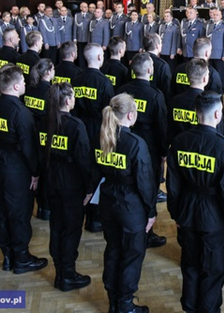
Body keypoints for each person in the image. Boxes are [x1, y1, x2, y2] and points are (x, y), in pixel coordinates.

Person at [167, 91, 224, 313]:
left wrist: (176, 214)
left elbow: (173, 184)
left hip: (187, 213)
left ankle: (189, 308)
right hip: (215, 218)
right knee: (213, 271)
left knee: (190, 266)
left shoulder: (179, 141)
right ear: (218, 114)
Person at [0, 65, 47, 274]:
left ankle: (7, 255)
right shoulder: (22, 114)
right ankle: (21, 258)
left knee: (2, 211)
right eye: (22, 81)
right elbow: (30, 149)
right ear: (15, 85)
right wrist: (36, 172)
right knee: (19, 214)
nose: (25, 85)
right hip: (17, 171)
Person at [98, 94, 156, 313]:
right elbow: (145, 183)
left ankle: (113, 301)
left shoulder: (103, 135)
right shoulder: (136, 144)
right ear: (131, 115)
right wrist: (151, 211)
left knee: (113, 250)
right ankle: (125, 305)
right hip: (131, 207)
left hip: (107, 201)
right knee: (132, 255)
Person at [44, 83, 98, 291]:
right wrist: (90, 188)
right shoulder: (76, 126)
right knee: (71, 230)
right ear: (67, 101)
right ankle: (67, 274)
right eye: (73, 97)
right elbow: (84, 162)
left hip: (51, 181)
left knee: (56, 227)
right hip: (71, 185)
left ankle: (60, 271)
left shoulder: (44, 121)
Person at [117, 53, 169, 248]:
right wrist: (164, 152)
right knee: (148, 189)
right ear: (149, 70)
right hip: (149, 146)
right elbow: (162, 126)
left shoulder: (123, 90)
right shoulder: (156, 95)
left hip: (123, 142)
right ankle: (147, 232)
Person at [72, 43, 116, 233]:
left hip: (79, 128)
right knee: (98, 171)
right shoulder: (104, 82)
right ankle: (95, 217)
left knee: (82, 168)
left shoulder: (76, 78)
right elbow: (110, 112)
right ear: (99, 58)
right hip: (99, 130)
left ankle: (82, 211)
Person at [24, 58, 55, 221]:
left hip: (30, 134)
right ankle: (46, 208)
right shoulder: (50, 91)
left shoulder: (29, 89)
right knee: (46, 172)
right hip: (45, 135)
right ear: (49, 72)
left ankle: (40, 205)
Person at [205, 7, 224, 89]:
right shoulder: (209, 25)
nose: (215, 16)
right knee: (210, 72)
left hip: (219, 54)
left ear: (221, 16)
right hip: (210, 53)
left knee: (219, 73)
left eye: (217, 15)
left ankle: (220, 88)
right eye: (214, 14)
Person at [142, 34, 172, 100]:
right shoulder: (163, 66)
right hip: (155, 101)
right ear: (157, 46)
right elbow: (167, 90)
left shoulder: (136, 60)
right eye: (161, 42)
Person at [74, 2, 92, 68]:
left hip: (87, 38)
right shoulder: (77, 15)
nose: (86, 8)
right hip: (79, 38)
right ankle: (81, 68)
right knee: (80, 55)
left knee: (88, 54)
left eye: (86, 7)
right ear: (80, 8)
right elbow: (75, 27)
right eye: (84, 7)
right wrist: (74, 38)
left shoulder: (91, 15)